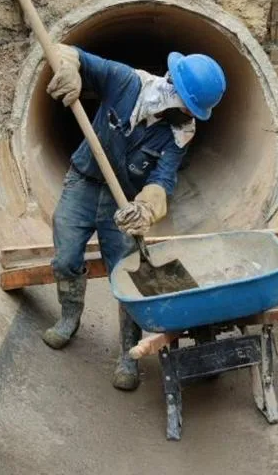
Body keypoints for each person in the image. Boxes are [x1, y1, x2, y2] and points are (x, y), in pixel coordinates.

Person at [43, 44, 226, 391]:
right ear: (173, 87)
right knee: (66, 257)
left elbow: (163, 179)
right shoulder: (126, 81)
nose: (190, 113)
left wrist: (145, 209)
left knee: (127, 276)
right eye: (189, 104)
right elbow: (69, 52)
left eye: (195, 110)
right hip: (83, 181)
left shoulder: (181, 131)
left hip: (122, 201)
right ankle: (69, 317)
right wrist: (67, 69)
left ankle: (129, 352)